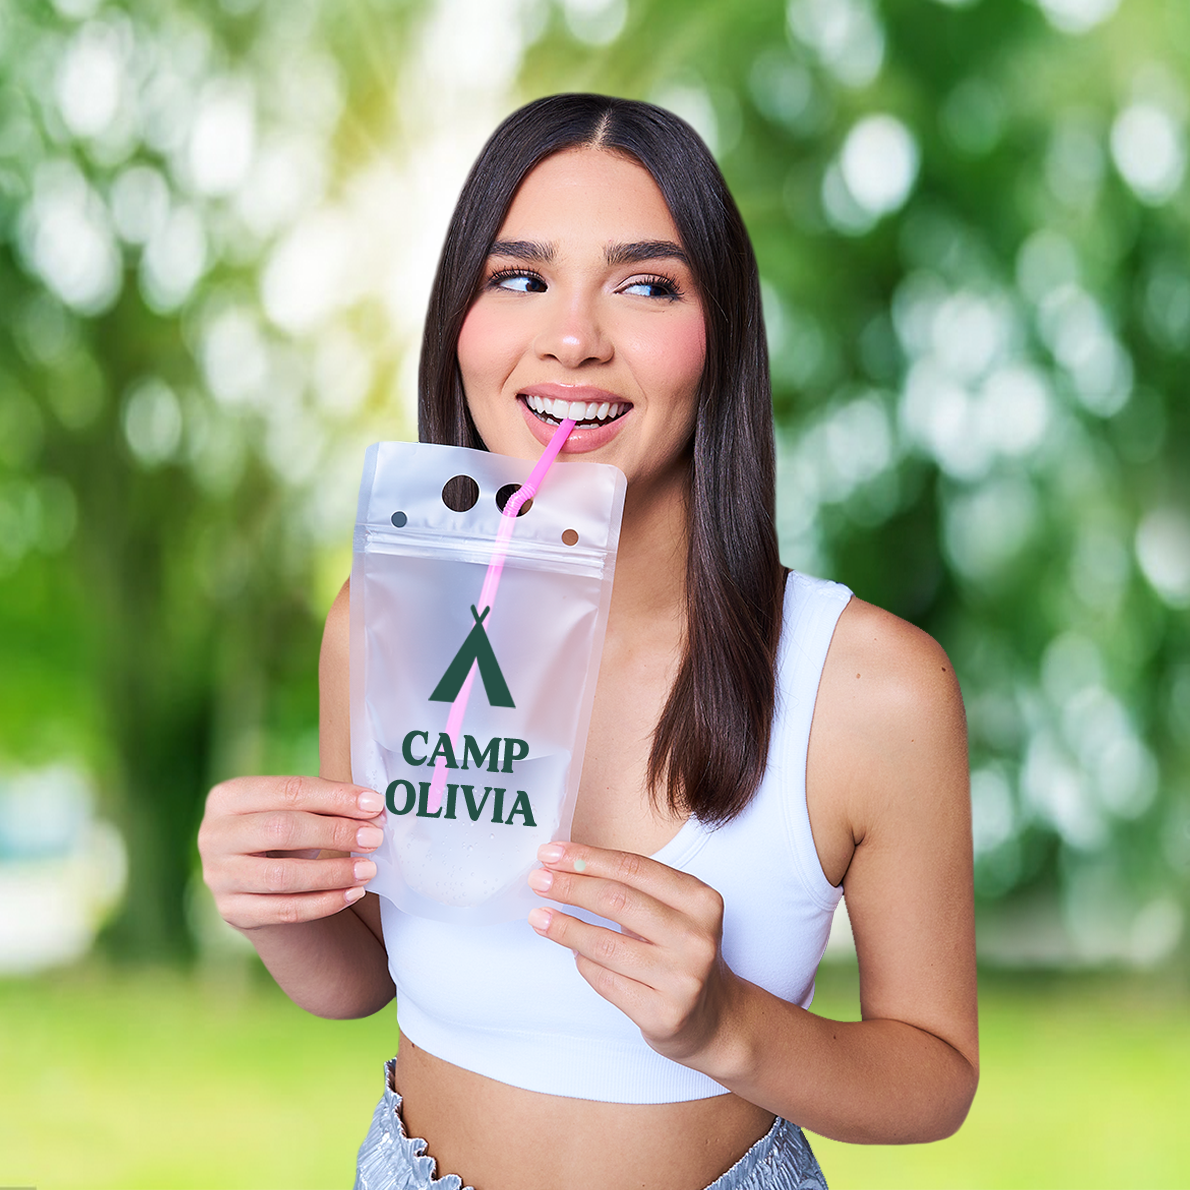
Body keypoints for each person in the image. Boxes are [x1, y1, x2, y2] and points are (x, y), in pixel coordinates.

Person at [199, 94, 977, 1190]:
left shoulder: (871, 687)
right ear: (457, 327)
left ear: (721, 339)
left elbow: (933, 1074)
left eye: (644, 283)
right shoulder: (375, 618)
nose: (571, 336)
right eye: (517, 277)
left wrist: (726, 1025)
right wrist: (273, 901)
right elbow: (368, 970)